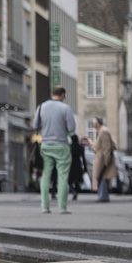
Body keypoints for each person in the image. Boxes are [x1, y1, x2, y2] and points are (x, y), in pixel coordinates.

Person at [33, 86, 76, 214]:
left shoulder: (41, 107)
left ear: (52, 94)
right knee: (63, 176)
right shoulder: (65, 108)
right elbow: (72, 128)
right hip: (61, 145)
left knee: (46, 175)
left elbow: (35, 125)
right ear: (62, 95)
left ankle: (44, 206)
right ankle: (62, 207)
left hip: (46, 145)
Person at [91, 117, 116, 203]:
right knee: (101, 176)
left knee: (101, 175)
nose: (93, 126)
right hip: (101, 156)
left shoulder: (103, 131)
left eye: (94, 123)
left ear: (97, 124)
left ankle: (103, 196)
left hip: (102, 158)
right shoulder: (102, 131)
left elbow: (107, 146)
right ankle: (102, 195)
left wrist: (107, 158)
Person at [68, 134, 87, 202]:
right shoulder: (80, 148)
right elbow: (83, 159)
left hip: (70, 165)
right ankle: (76, 192)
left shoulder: (70, 147)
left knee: (69, 181)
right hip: (78, 165)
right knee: (77, 182)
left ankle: (73, 191)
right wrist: (85, 168)